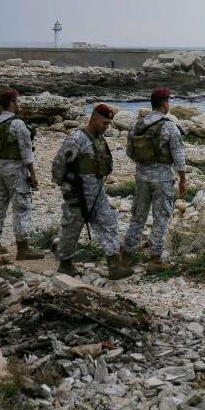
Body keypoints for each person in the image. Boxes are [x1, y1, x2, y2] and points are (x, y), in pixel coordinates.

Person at [52, 104, 131, 279]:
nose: (106, 127)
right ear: (94, 119)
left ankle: (113, 265)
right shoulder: (77, 139)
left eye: (109, 124)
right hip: (78, 193)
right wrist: (64, 186)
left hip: (97, 193)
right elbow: (59, 164)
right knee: (71, 228)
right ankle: (65, 264)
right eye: (104, 123)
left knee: (108, 223)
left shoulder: (100, 139)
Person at [121, 87, 187, 272]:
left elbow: (129, 151)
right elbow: (178, 156)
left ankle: (126, 256)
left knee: (138, 217)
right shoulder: (169, 126)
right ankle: (155, 259)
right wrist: (182, 179)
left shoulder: (137, 125)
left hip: (142, 178)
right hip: (163, 179)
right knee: (161, 218)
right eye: (168, 102)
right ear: (165, 104)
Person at [0, 89, 44, 261]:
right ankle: (23, 248)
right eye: (17, 102)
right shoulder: (17, 124)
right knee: (21, 207)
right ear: (12, 103)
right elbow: (26, 152)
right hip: (15, 169)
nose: (19, 105)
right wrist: (33, 174)